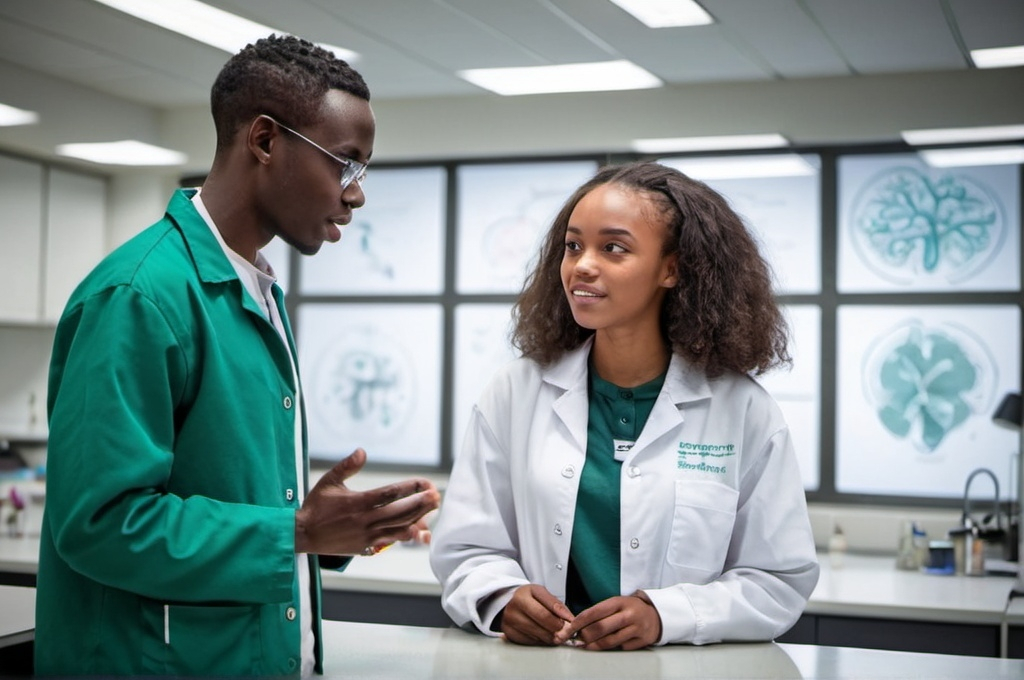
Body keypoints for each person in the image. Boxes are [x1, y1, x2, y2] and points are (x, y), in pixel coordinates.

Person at [35, 34, 440, 677]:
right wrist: (298, 531)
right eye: (345, 163)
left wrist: (340, 528)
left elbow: (232, 496)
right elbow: (99, 524)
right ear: (265, 140)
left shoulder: (256, 290)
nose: (355, 192)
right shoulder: (139, 296)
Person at [429, 161, 819, 651]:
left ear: (672, 268)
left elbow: (777, 580)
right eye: (573, 246)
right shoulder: (516, 392)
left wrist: (667, 616)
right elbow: (466, 548)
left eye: (613, 248)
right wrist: (503, 598)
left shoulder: (742, 410)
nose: (582, 265)